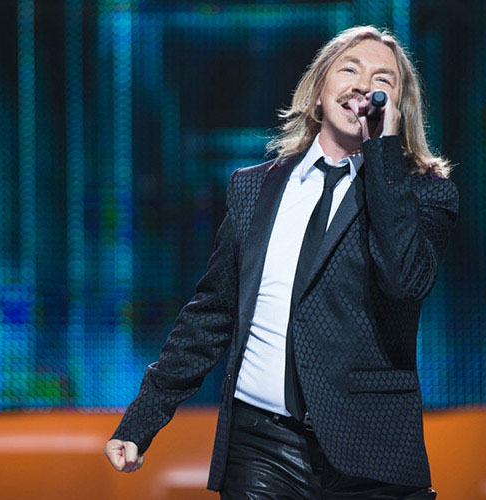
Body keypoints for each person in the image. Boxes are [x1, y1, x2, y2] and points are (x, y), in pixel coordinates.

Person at [104, 25, 458, 499]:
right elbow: (211, 314)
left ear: (398, 108)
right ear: (317, 93)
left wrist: (383, 154)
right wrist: (142, 418)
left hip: (373, 452)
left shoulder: (425, 194)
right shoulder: (253, 188)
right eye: (349, 69)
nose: (362, 85)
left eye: (382, 80)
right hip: (262, 447)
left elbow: (404, 281)